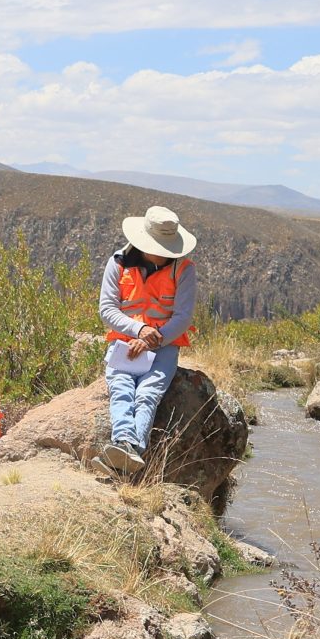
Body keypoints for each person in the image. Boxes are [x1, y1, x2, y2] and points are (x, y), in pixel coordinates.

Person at [98, 205, 198, 479]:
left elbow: (182, 317)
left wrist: (153, 339)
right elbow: (107, 309)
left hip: (164, 345)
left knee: (147, 394)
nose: (165, 253)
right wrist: (139, 330)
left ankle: (126, 449)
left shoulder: (184, 269)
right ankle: (125, 445)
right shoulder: (117, 263)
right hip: (125, 343)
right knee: (121, 387)